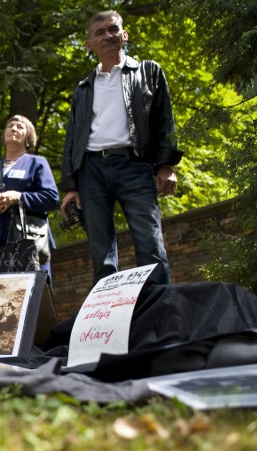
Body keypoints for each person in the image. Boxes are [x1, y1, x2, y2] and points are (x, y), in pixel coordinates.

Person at [60, 10, 182, 286]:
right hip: (90, 173)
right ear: (89, 44)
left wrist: (166, 165)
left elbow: (165, 121)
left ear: (124, 35)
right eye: (100, 32)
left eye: (113, 29)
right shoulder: (83, 89)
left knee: (151, 245)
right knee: (101, 256)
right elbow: (72, 138)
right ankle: (108, 321)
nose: (108, 36)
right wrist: (71, 186)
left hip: (134, 166)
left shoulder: (148, 71)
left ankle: (157, 315)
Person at [0, 115, 59, 274]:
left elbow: (52, 198)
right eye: (10, 126)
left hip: (29, 242)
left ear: (28, 137)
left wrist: (19, 197)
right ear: (4, 135)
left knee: (33, 297)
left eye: (20, 126)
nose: (14, 129)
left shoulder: (37, 163)